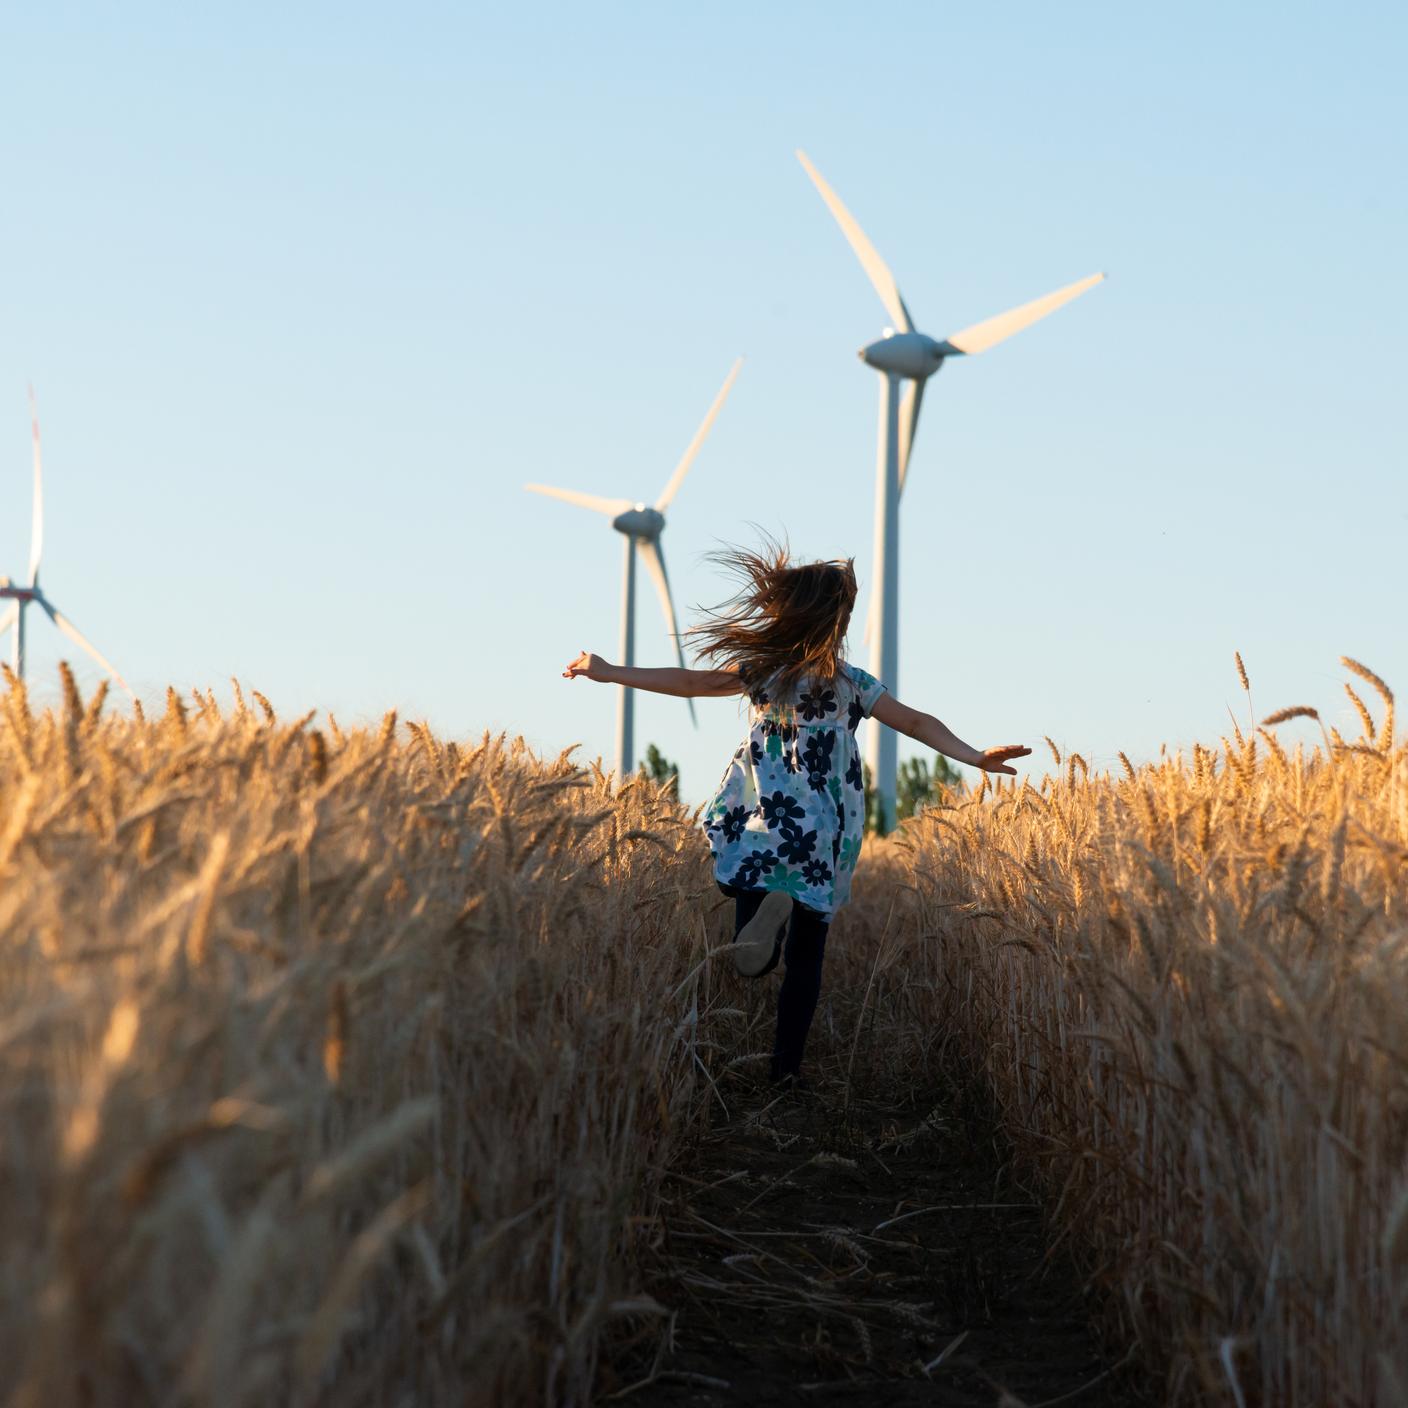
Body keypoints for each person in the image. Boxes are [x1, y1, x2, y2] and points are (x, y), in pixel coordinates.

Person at [562, 543, 1029, 1087]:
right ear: (837, 623)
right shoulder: (852, 682)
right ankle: (785, 1070)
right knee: (809, 957)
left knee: (748, 893)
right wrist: (973, 756)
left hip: (766, 809)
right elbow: (917, 722)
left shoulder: (764, 671)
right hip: (823, 824)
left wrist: (611, 671)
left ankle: (759, 924)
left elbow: (689, 682)